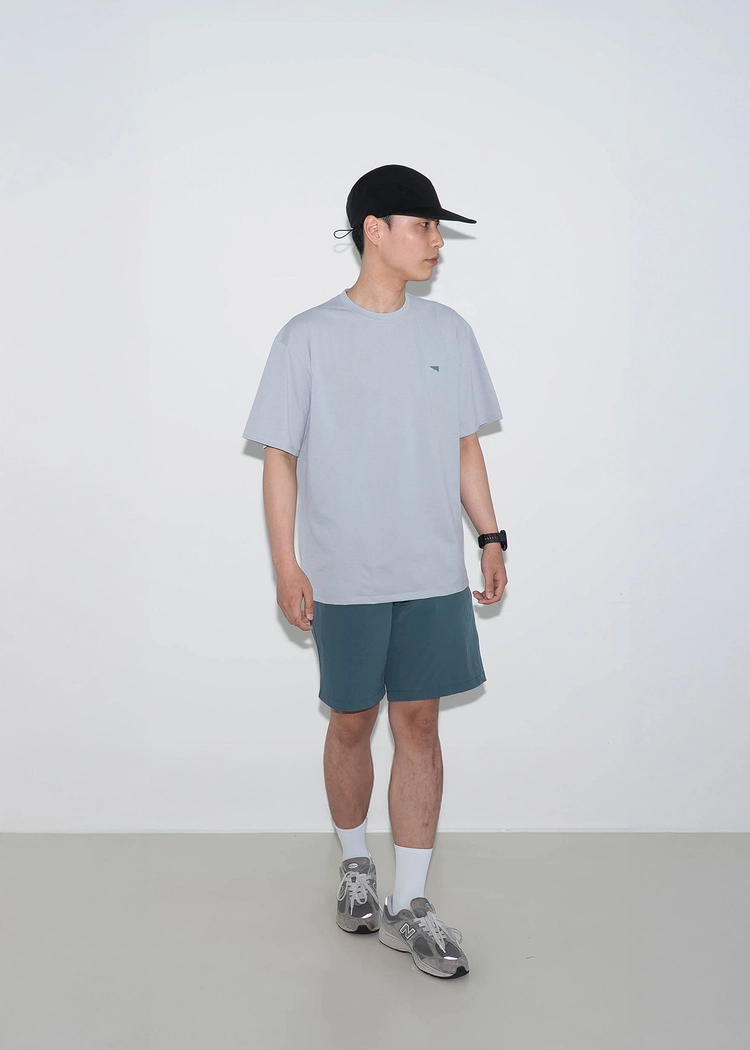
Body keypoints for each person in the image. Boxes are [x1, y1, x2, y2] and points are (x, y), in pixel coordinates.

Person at [241, 164, 507, 980]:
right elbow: (279, 457)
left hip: (432, 572)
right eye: (423, 226)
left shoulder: (448, 333)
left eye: (438, 229)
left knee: (419, 726)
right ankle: (356, 864)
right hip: (346, 576)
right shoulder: (307, 337)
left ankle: (411, 902)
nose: (436, 242)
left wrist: (491, 536)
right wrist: (286, 564)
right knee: (353, 723)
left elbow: (464, 445)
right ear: (375, 231)